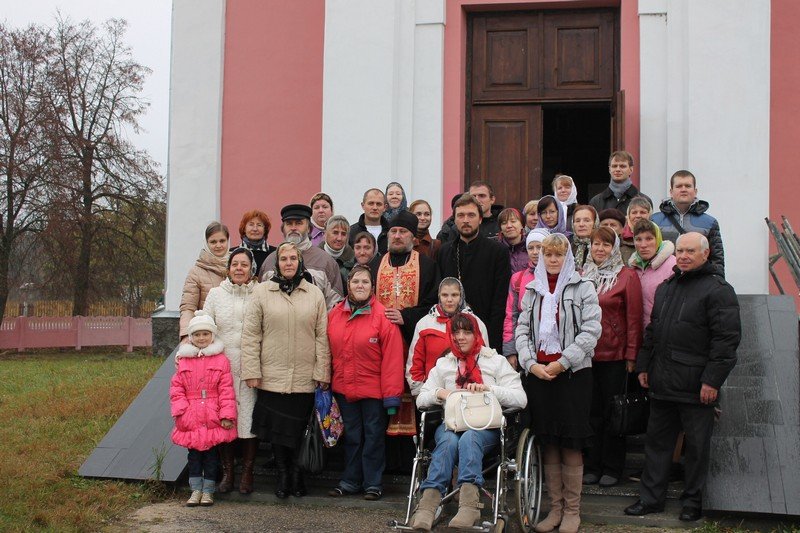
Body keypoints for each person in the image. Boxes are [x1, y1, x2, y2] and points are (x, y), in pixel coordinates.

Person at [625, 232, 740, 522]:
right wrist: (644, 366)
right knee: (657, 445)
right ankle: (651, 500)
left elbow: (726, 341)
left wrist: (712, 381)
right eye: (681, 251)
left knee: (697, 450)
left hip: (696, 387)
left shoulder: (719, 290)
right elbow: (653, 332)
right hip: (662, 382)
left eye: (691, 251)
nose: (685, 256)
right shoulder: (666, 287)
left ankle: (693, 502)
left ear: (706, 254)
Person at [515, 233, 602, 533]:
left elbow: (591, 332)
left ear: (568, 258)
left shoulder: (583, 287)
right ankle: (555, 509)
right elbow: (522, 330)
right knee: (548, 440)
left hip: (573, 376)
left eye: (557, 255)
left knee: (570, 442)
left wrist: (562, 361)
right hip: (540, 376)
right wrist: (530, 364)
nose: (552, 259)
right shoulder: (531, 290)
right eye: (546, 254)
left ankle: (572, 511)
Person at [409, 313, 527, 531]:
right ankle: (427, 506)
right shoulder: (444, 364)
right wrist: (440, 393)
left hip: (485, 428)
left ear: (477, 334)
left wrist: (489, 389)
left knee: (470, 438)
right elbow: (422, 400)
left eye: (466, 332)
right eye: (456, 332)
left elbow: (520, 399)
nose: (461, 337)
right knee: (448, 441)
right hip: (452, 425)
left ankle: (469, 506)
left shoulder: (495, 360)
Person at [241, 242, 331, 500]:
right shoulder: (261, 292)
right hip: (272, 376)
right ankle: (282, 474)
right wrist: (251, 369)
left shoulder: (314, 294)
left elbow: (322, 337)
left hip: (304, 377)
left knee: (299, 430)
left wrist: (322, 372)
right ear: (277, 263)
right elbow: (251, 334)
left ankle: (297, 474)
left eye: (293, 258)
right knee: (278, 432)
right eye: (284, 259)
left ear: (300, 262)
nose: (289, 263)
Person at [327, 265, 405, 500]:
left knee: (373, 437)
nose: (360, 286)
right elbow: (327, 352)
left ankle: (372, 483)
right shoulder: (335, 314)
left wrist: (392, 397)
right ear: (348, 284)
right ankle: (350, 480)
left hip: (374, 393)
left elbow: (393, 360)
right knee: (351, 437)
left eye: (365, 282)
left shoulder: (383, 316)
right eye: (355, 281)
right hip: (343, 389)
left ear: (372, 287)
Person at [581, 227, 643, 488]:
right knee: (591, 414)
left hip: (615, 356)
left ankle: (613, 467)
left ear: (614, 248)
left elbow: (634, 319)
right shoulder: (581, 275)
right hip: (586, 356)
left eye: (605, 245)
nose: (599, 249)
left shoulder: (626, 276)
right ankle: (592, 465)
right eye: (595, 244)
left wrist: (631, 355)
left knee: (613, 414)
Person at [202, 248, 259, 494]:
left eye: (244, 265)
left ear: (251, 269)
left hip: (250, 369)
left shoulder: (259, 293)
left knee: (248, 422)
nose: (239, 269)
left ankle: (247, 472)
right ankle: (228, 473)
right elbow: (204, 328)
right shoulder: (215, 295)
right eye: (234, 264)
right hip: (222, 370)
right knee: (225, 421)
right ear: (228, 268)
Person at [171, 311, 238, 507]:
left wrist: (226, 414)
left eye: (206, 334)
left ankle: (208, 491)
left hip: (212, 415)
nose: (202, 338)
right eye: (197, 335)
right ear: (191, 337)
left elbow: (226, 390)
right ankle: (195, 490)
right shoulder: (183, 360)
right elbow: (177, 389)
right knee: (193, 456)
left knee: (211, 456)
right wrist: (181, 411)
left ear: (212, 336)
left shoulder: (221, 360)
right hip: (191, 415)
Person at [437, 194, 511, 350]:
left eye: (471, 215)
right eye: (461, 215)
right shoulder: (444, 251)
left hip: (485, 333)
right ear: (454, 219)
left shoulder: (498, 252)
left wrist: (492, 343)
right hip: (451, 333)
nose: (465, 220)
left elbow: (500, 302)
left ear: (480, 219)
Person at [407, 277, 489, 395]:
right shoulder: (424, 324)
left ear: (461, 296)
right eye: (445, 295)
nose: (449, 300)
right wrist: (421, 393)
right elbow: (415, 363)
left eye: (454, 295)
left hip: (471, 394)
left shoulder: (475, 323)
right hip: (434, 395)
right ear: (439, 296)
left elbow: (485, 358)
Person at [259, 204, 344, 306]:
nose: (293, 228)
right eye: (289, 224)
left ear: (309, 229)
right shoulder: (270, 261)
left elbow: (334, 306)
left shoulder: (325, 261)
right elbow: (261, 302)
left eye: (299, 223)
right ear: (283, 229)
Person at [375, 210, 440, 343]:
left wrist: (406, 316)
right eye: (393, 231)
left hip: (415, 339)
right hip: (380, 339)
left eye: (403, 231)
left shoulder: (427, 266)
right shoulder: (375, 266)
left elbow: (434, 305)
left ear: (413, 237)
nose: (397, 236)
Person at [651, 170, 725, 276]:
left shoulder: (709, 223)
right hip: (665, 282)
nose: (683, 189)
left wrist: (718, 285)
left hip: (698, 282)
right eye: (679, 186)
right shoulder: (655, 221)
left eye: (688, 186)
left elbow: (717, 260)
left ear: (695, 191)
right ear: (671, 192)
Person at [502, 228, 548, 364]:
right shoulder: (518, 279)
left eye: (539, 247)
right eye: (530, 248)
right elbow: (511, 316)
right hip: (525, 346)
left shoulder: (560, 277)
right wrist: (510, 350)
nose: (534, 252)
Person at [179, 222, 229, 341]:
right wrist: (186, 336)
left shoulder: (237, 268)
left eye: (222, 241)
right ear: (206, 243)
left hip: (233, 338)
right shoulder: (195, 272)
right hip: (206, 338)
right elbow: (188, 308)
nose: (218, 245)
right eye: (213, 242)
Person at [629, 220, 676, 329]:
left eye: (649, 238)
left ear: (658, 239)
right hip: (639, 333)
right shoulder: (633, 267)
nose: (643, 245)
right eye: (638, 239)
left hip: (663, 332)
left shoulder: (674, 266)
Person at [319, 215, 355, 292]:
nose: (339, 238)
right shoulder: (314, 258)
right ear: (325, 234)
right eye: (335, 233)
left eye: (343, 234)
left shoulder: (354, 261)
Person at [349, 188, 390, 254]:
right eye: (371, 203)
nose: (375, 208)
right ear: (363, 206)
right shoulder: (351, 232)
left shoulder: (392, 232)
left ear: (385, 207)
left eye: (379, 204)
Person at [621, 196, 653, 266]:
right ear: (628, 215)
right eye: (634, 212)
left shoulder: (658, 236)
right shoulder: (620, 238)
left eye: (643, 212)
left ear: (649, 215)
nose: (638, 216)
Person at [497, 207, 528, 273]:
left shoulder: (530, 247)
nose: (509, 226)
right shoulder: (495, 249)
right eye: (504, 223)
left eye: (513, 221)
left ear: (522, 225)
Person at [570, 205, 598, 273]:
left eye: (587, 220)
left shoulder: (600, 246)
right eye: (577, 221)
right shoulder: (568, 247)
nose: (581, 224)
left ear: (595, 223)